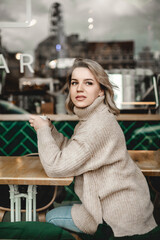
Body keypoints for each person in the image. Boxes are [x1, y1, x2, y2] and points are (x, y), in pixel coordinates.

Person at [29, 58, 157, 237]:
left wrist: (42, 130)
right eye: (75, 83)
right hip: (119, 206)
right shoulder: (93, 117)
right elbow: (75, 152)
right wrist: (51, 130)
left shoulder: (97, 125)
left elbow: (56, 168)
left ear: (101, 91)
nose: (79, 88)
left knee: (49, 217)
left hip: (115, 216)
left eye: (88, 83)